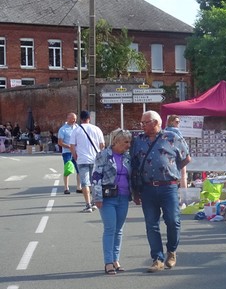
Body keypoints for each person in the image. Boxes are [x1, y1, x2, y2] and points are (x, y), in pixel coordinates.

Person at [131, 111, 191, 273]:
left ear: (156, 122)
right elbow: (135, 165)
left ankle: (171, 251)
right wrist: (135, 191)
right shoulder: (138, 141)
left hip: (168, 186)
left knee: (172, 220)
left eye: (146, 122)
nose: (142, 126)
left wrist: (171, 169)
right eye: (141, 123)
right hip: (147, 188)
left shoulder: (172, 137)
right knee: (151, 224)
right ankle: (157, 258)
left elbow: (186, 158)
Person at [91, 129, 133, 275]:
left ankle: (116, 260)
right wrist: (97, 197)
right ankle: (108, 262)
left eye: (129, 142)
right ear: (116, 141)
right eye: (125, 142)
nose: (128, 145)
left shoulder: (128, 157)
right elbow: (96, 176)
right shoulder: (103, 155)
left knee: (119, 230)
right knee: (110, 228)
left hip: (123, 197)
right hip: (108, 197)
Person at [71, 110, 105, 212]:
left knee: (85, 183)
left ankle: (88, 204)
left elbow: (72, 146)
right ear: (89, 118)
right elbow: (102, 145)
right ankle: (94, 202)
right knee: (94, 182)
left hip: (82, 159)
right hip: (95, 159)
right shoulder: (97, 129)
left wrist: (75, 156)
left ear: (80, 119)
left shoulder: (76, 130)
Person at [164, 114, 188, 207]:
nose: (178, 124)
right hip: (179, 157)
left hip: (168, 157)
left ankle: (170, 200)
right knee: (183, 177)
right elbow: (183, 145)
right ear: (171, 122)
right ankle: (184, 200)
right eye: (177, 122)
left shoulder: (164, 130)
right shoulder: (176, 131)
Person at [57, 112, 81, 194]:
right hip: (67, 152)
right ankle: (66, 188)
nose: (74, 120)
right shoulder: (63, 129)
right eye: (73, 118)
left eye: (75, 118)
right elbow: (60, 142)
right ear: (68, 118)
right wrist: (69, 147)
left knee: (79, 170)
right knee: (68, 170)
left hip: (77, 152)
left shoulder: (77, 127)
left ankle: (79, 187)